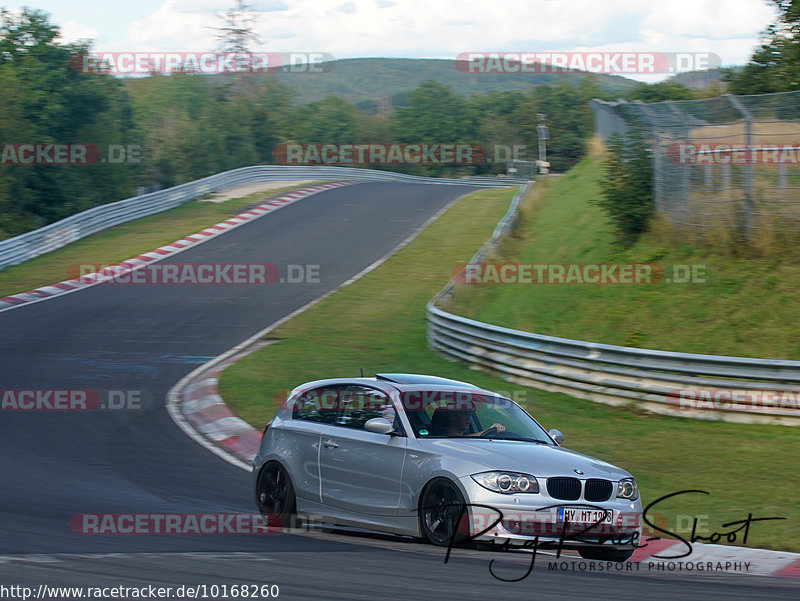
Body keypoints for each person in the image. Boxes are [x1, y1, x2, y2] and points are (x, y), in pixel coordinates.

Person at [431, 406, 506, 437]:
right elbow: (459, 439)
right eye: (464, 414)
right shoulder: (438, 437)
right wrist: (488, 431)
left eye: (470, 415)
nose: (468, 418)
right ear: (452, 416)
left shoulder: (470, 435)